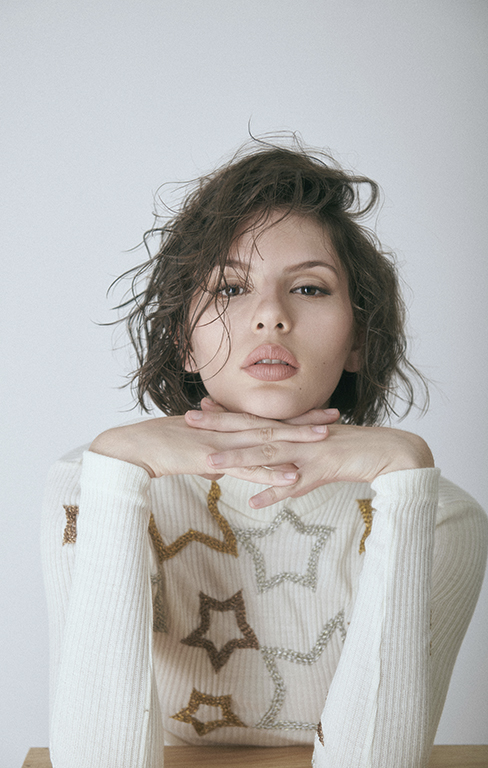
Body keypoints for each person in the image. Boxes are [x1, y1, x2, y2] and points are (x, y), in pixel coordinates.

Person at [42, 139, 487, 768]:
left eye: (308, 288)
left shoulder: (439, 515)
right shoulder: (94, 484)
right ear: (184, 340)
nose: (271, 316)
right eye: (230, 288)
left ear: (358, 340)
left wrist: (406, 472)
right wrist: (116, 465)